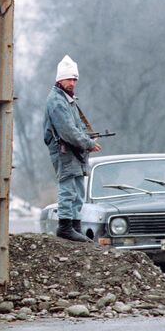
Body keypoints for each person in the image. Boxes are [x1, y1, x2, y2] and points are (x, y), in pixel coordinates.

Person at [43, 54, 101, 242]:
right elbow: (68, 131)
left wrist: (87, 137)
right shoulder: (57, 101)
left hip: (73, 152)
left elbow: (77, 126)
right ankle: (65, 227)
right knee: (68, 188)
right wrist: (88, 143)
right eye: (69, 78)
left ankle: (74, 226)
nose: (73, 82)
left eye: (74, 79)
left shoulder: (67, 99)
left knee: (77, 190)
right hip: (64, 151)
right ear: (60, 79)